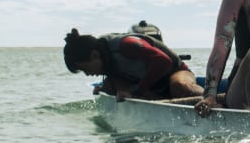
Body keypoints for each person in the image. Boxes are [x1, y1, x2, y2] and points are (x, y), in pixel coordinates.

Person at [63, 29, 203, 100]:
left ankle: (212, 101)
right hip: (152, 84)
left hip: (176, 72)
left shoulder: (125, 45)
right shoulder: (106, 63)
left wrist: (138, 91)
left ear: (94, 55)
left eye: (85, 68)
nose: (87, 74)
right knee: (111, 88)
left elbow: (163, 61)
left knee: (178, 86)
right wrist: (105, 89)